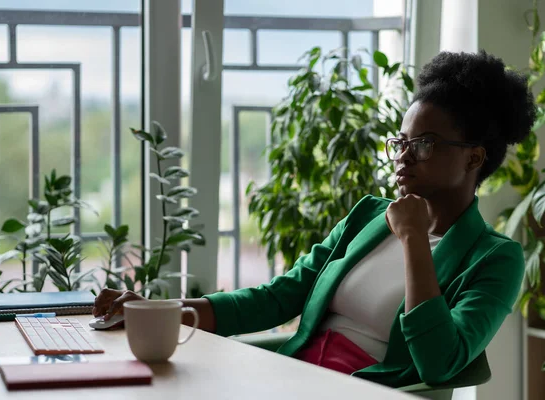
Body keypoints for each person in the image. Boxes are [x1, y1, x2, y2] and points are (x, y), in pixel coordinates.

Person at [93, 50, 536, 388]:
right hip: (294, 379)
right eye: (399, 142)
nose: (402, 157)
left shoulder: (496, 259)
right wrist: (159, 311)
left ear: (474, 157)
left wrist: (415, 240)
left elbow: (440, 362)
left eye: (423, 143)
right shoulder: (368, 214)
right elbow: (278, 297)